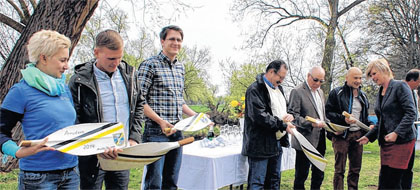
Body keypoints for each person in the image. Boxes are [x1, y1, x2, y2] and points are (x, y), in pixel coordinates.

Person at [0, 30, 79, 189]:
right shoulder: (20, 91)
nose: (66, 66)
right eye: (62, 60)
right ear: (43, 58)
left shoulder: (62, 88)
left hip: (71, 173)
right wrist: (16, 151)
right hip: (38, 177)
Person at [68, 29, 143, 190]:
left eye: (119, 57)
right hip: (92, 156)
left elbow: (138, 107)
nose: (115, 63)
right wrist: (95, 146)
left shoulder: (130, 75)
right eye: (111, 58)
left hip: (122, 152)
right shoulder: (79, 80)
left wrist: (134, 138)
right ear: (96, 52)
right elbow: (73, 118)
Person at [138, 25, 197, 190]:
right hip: (156, 132)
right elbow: (139, 101)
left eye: (179, 40)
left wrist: (197, 116)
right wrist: (160, 121)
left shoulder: (180, 68)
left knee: (171, 183)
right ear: (162, 41)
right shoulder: (149, 65)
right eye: (172, 39)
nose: (176, 43)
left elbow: (180, 101)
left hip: (177, 132)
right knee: (154, 184)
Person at [357, 59, 417, 189]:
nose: (372, 78)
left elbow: (411, 113)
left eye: (374, 74)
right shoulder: (380, 92)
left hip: (402, 142)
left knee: (393, 182)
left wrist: (396, 133)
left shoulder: (400, 86)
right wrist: (369, 136)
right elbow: (382, 121)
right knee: (385, 181)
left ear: (383, 69)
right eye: (370, 75)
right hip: (386, 143)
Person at [241, 60, 296, 190]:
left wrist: (290, 115)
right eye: (280, 77)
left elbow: (284, 109)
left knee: (274, 181)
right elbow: (260, 116)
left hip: (276, 143)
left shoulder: (279, 89)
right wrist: (282, 125)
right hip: (259, 145)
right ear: (271, 72)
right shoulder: (255, 89)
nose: (281, 81)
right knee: (257, 183)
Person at [325, 67, 374, 190]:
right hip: (341, 135)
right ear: (347, 78)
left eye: (360, 78)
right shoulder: (336, 93)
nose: (358, 81)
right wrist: (343, 119)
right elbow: (328, 112)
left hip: (358, 135)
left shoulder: (363, 96)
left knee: (355, 169)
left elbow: (364, 117)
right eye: (355, 78)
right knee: (339, 169)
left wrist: (370, 125)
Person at [288, 66, 327, 190]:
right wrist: (310, 123)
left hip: (320, 136)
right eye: (316, 80)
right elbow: (293, 116)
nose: (318, 83)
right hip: (305, 138)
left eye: (321, 81)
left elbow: (322, 114)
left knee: (319, 172)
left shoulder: (320, 92)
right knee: (301, 174)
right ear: (308, 76)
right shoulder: (298, 91)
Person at [401, 68, 420, 189]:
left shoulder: (414, 93)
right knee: (401, 167)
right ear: (413, 80)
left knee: (409, 166)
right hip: (403, 135)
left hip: (413, 133)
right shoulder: (400, 90)